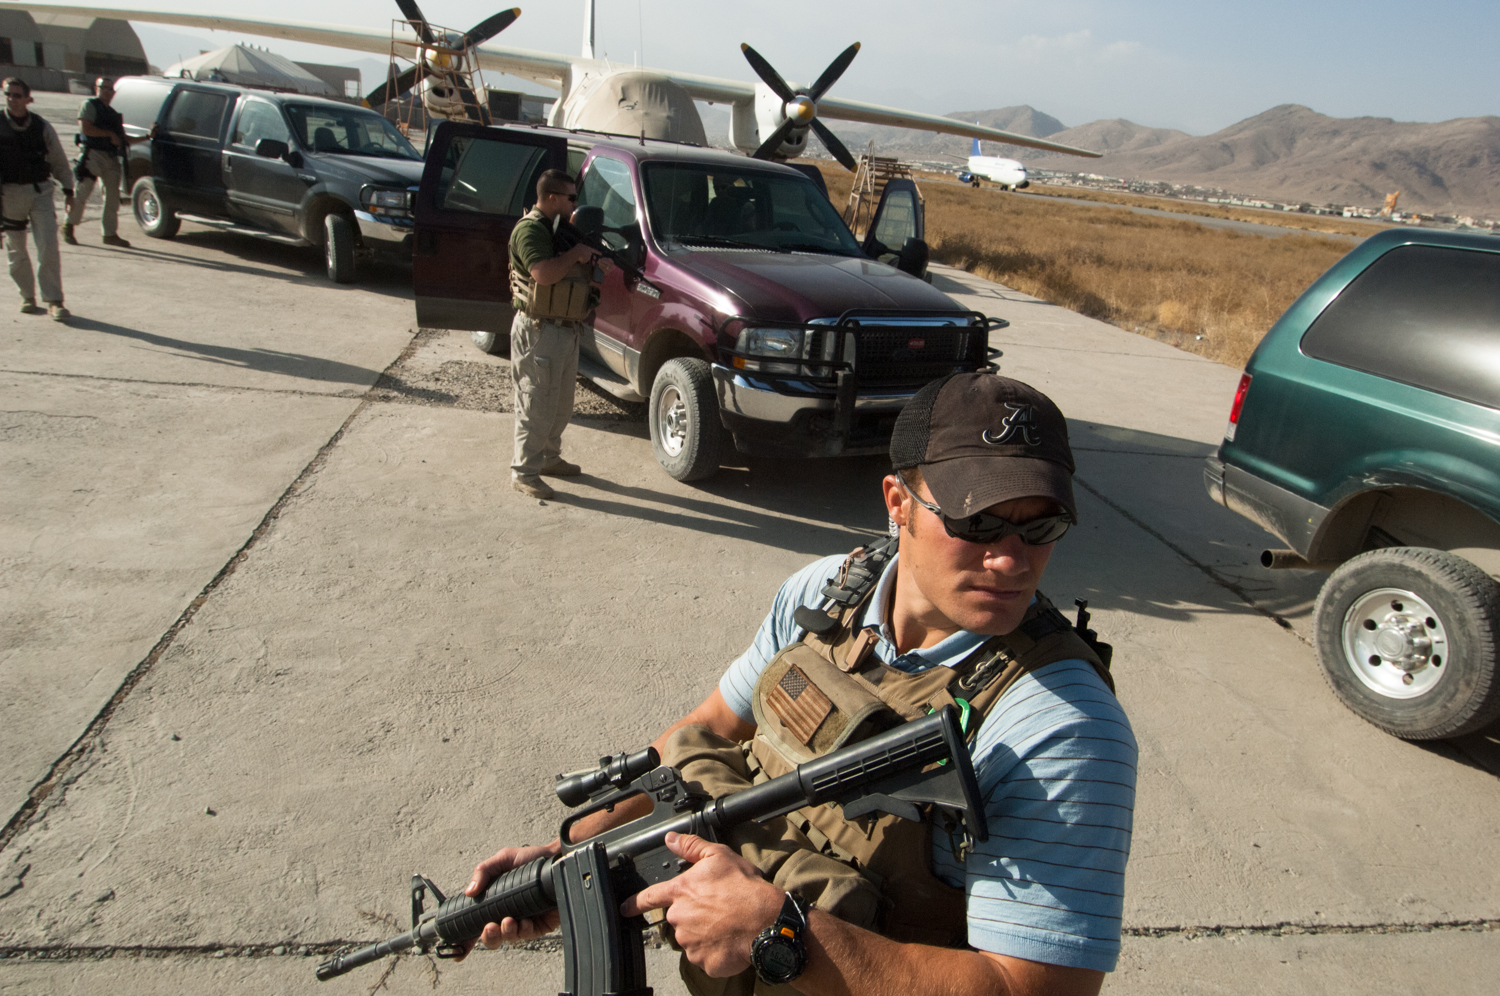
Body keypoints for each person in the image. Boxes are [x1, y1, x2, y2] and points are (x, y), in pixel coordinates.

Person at [465, 372, 1138, 996]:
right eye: (976, 521)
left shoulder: (1061, 726)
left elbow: (1036, 990)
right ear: (897, 502)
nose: (1009, 559)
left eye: (1041, 525)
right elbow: (710, 731)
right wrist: (575, 859)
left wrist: (781, 935)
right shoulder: (825, 595)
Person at [507, 169, 600, 500]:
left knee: (559, 404)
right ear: (550, 198)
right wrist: (575, 254)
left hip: (563, 328)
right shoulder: (531, 230)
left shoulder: (561, 232)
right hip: (539, 329)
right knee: (536, 403)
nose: (576, 204)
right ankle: (525, 472)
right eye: (571, 198)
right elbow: (543, 274)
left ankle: (548, 458)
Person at [0, 77, 73, 321]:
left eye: (18, 95)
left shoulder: (41, 126)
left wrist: (69, 188)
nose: (12, 99)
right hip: (9, 195)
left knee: (48, 247)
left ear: (28, 98)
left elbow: (59, 160)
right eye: (8, 94)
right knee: (16, 250)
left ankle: (54, 300)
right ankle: (27, 296)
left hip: (40, 192)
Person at [62, 77, 150, 249]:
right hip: (93, 154)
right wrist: (109, 134)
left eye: (110, 89)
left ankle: (109, 233)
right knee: (82, 193)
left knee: (112, 198)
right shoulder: (90, 106)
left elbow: (123, 139)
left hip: (110, 157)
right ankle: (69, 225)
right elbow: (85, 128)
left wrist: (147, 137)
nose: (107, 91)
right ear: (96, 88)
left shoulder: (111, 113)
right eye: (104, 88)